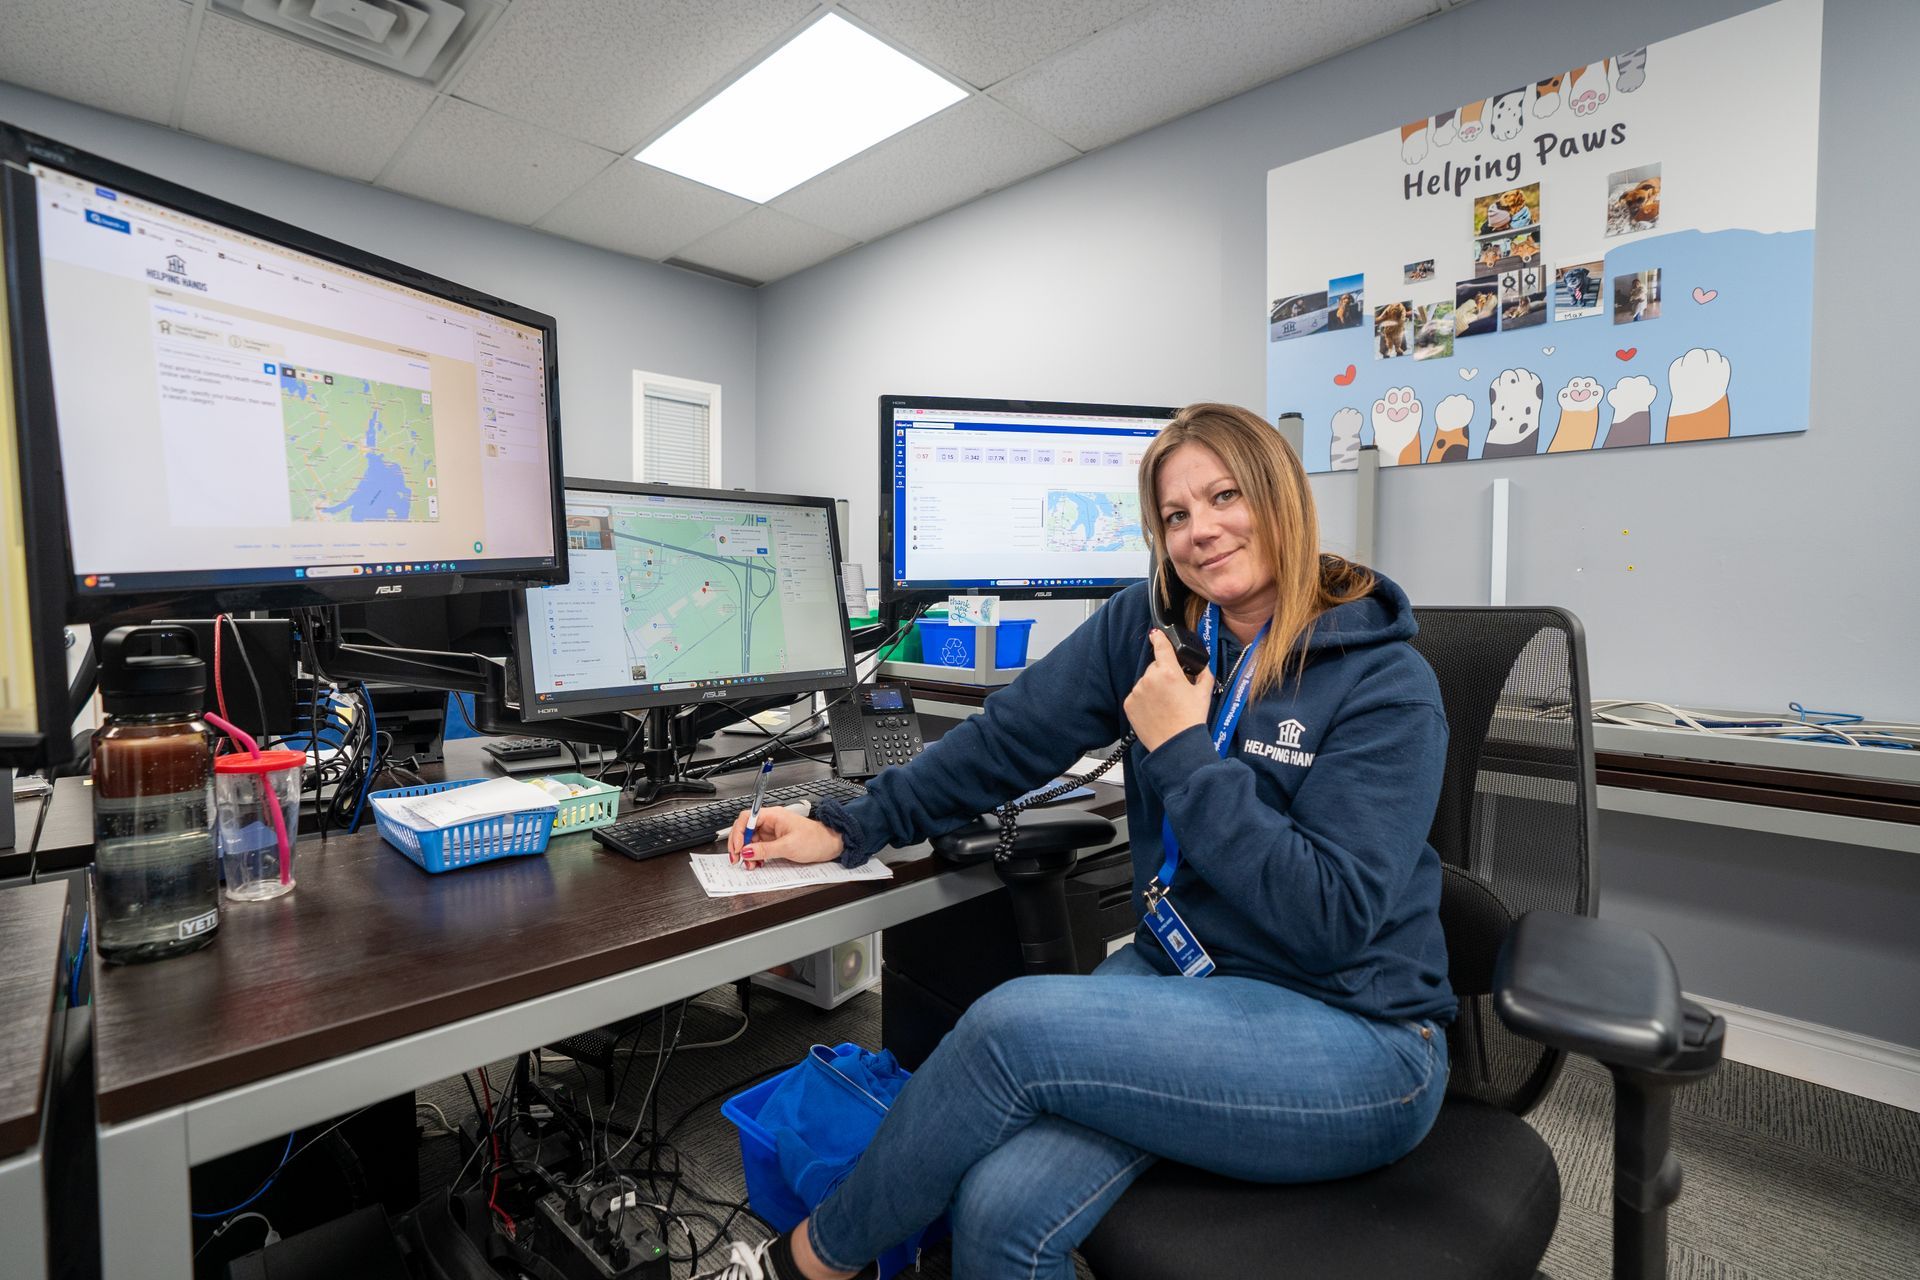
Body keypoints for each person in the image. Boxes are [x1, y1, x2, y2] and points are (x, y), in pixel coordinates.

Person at [703, 402, 1454, 1280]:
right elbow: (1005, 740)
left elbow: (1330, 918)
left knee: (1010, 1025)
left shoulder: (1386, 680)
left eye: (1225, 496)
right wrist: (849, 824)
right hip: (1189, 978)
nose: (1201, 531)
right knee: (995, 1214)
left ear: (1281, 496)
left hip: (1356, 1032)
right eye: (1175, 515)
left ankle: (804, 1266)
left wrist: (1179, 747)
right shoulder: (1155, 628)